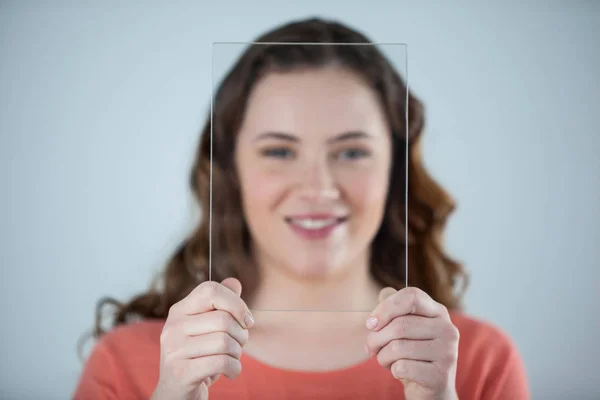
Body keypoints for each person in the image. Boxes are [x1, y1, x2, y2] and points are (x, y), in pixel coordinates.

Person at [73, 17, 530, 400]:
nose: (317, 188)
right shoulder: (128, 365)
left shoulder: (478, 361)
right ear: (231, 172)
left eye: (351, 152)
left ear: (395, 171)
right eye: (278, 152)